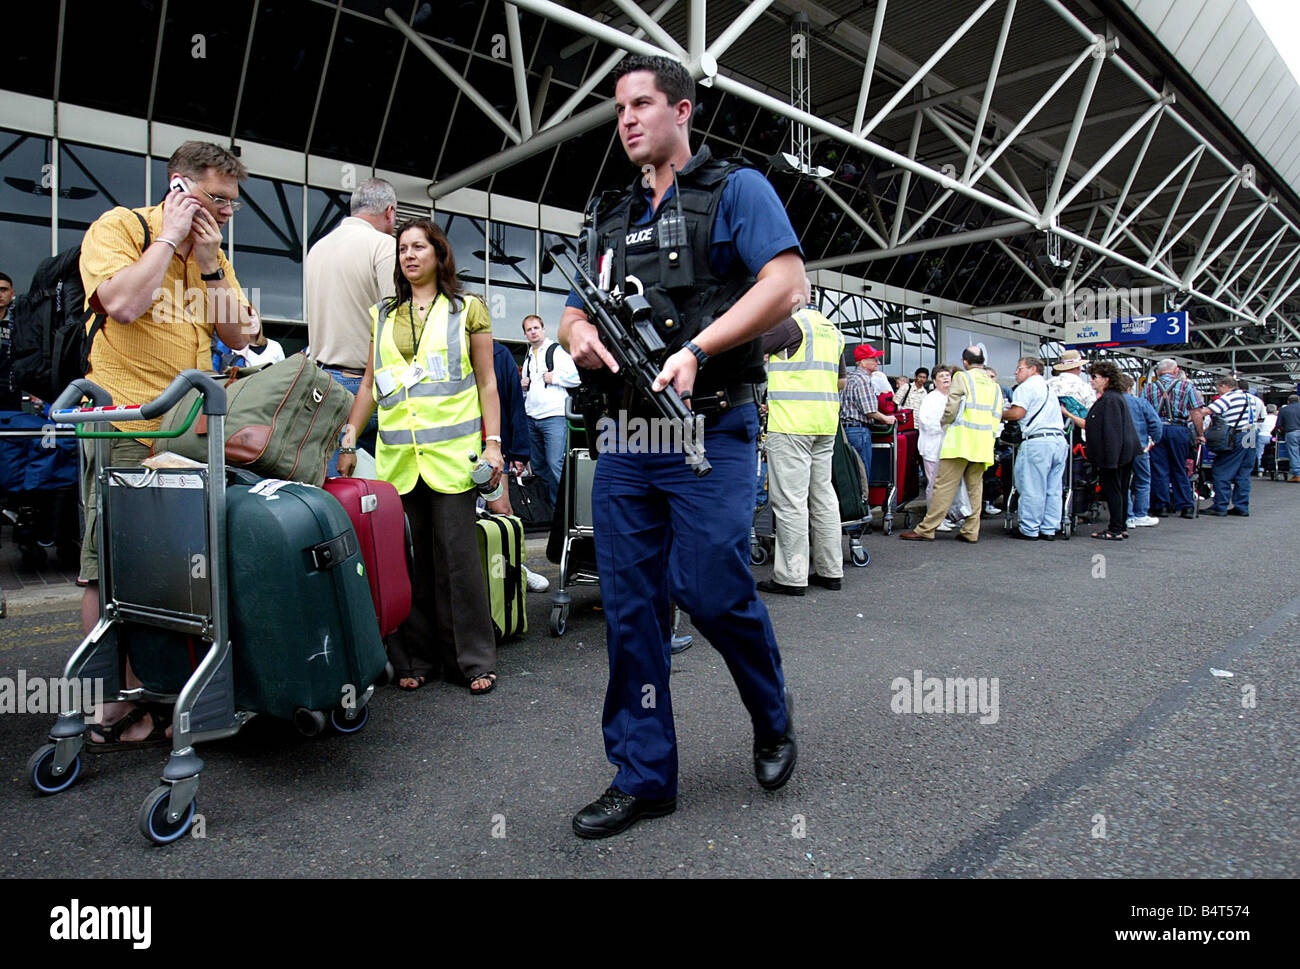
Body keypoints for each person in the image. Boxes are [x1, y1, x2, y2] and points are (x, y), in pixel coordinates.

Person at [558, 54, 804, 839]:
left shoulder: (737, 190)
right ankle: (643, 775)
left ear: (682, 110)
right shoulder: (607, 212)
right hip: (627, 434)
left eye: (640, 104)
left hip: (710, 424)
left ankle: (771, 712)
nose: (626, 119)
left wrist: (696, 347)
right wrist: (582, 335)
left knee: (710, 586)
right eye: (618, 109)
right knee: (632, 609)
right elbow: (568, 312)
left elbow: (785, 285)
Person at [79, 141, 260, 748]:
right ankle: (107, 705)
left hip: (186, 432)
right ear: (180, 188)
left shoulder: (212, 254)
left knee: (174, 567)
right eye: (216, 198)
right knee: (106, 566)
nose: (228, 211)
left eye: (234, 203)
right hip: (124, 425)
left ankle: (159, 685)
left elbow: (243, 333)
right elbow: (123, 303)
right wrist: (170, 238)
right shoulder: (122, 227)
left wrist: (209, 263)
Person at [337, 218, 507, 696]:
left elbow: (487, 383)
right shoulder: (382, 315)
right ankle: (414, 658)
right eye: (402, 248)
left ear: (438, 255)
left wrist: (493, 444)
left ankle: (472, 661)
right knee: (407, 561)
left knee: (457, 561)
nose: (409, 255)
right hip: (398, 461)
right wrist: (349, 440)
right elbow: (370, 385)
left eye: (419, 247)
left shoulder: (467, 310)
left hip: (452, 457)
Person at [305, 177, 398, 474]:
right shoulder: (384, 246)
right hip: (368, 386)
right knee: (379, 498)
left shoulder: (317, 248)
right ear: (390, 212)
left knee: (339, 491)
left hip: (322, 383)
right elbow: (397, 324)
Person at [757, 288, 845, 596]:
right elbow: (841, 380)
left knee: (790, 502)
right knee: (823, 497)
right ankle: (831, 570)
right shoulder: (833, 332)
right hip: (825, 423)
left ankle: (792, 577)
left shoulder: (790, 325)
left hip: (792, 424)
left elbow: (750, 351)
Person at [899, 346, 1004, 543]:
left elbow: (952, 407)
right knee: (975, 488)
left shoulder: (963, 378)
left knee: (943, 485)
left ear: (965, 362)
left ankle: (926, 528)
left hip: (959, 441)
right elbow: (997, 415)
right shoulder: (994, 386)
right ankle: (971, 531)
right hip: (982, 444)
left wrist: (945, 424)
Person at [1071, 360, 1140, 540]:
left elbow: (1111, 430)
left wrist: (1110, 459)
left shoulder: (1109, 400)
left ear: (1106, 379)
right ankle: (1120, 526)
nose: (1091, 381)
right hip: (1123, 452)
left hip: (1115, 454)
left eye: (1095, 377)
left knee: (1114, 490)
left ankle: (1115, 528)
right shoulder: (1114, 398)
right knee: (1121, 490)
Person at [1001, 357, 1067, 540]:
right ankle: (1049, 528)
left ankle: (1029, 528)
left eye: (1019, 368)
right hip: (1059, 441)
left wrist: (999, 414)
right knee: (1053, 488)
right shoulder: (1048, 388)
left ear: (1032, 369)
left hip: (1038, 442)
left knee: (1032, 486)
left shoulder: (1026, 387)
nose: (1016, 372)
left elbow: (1017, 413)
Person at [520, 314, 580, 507]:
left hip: (554, 416)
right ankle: (553, 510)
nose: (533, 332)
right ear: (525, 334)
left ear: (543, 329)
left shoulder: (556, 351)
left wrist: (555, 378)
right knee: (538, 467)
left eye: (536, 328)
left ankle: (566, 511)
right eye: (529, 330)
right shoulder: (528, 356)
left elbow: (577, 377)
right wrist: (524, 385)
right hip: (532, 417)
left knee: (555, 464)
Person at [1141, 358, 1207, 518]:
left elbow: (1143, 410)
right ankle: (1186, 506)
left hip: (1156, 430)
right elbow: (1196, 412)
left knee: (1159, 469)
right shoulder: (1186, 386)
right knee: (1179, 467)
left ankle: (1161, 506)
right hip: (1179, 429)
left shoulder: (1148, 388)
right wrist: (1200, 434)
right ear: (1176, 371)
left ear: (1158, 372)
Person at [915, 365, 971, 531]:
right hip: (933, 447)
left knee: (949, 484)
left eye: (948, 376)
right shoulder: (931, 398)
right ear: (934, 381)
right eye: (942, 376)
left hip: (951, 448)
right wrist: (947, 426)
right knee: (934, 484)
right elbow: (926, 422)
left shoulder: (955, 398)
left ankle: (948, 515)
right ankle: (934, 519)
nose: (946, 378)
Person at [1200, 376, 1261, 517]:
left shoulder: (1228, 398)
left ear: (1223, 386)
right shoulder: (1251, 398)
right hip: (1251, 434)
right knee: (1243, 472)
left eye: (1218, 388)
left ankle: (1220, 505)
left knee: (1222, 469)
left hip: (1237, 435)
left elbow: (1207, 411)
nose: (1218, 392)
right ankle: (1241, 506)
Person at [840, 343, 895, 487]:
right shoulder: (863, 380)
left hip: (845, 430)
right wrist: (887, 418)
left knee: (850, 473)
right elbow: (869, 411)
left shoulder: (849, 378)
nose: (878, 362)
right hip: (859, 430)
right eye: (874, 359)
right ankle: (863, 508)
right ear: (863, 362)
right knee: (862, 474)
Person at [1118, 373, 1162, 528]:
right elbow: (1156, 424)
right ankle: (1141, 514)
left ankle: (1127, 516)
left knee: (1123, 483)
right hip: (1140, 447)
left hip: (1120, 449)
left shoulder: (1112, 402)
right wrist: (1154, 440)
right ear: (1130, 387)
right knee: (1143, 480)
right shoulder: (1141, 403)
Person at [0, 271, 19, 411]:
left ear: (12, 293)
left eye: (3, 289)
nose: (0, 294)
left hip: (10, 390)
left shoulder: (20, 322)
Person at [1277, 394, 1300, 481]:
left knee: (1294, 453)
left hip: (1291, 433)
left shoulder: (1284, 409)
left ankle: (1297, 474)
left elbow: (1279, 425)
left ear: (1288, 401)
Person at [1257, 403, 1277, 476]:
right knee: (1275, 452)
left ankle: (1260, 470)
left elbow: (1257, 427)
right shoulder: (1276, 418)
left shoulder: (1262, 418)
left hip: (1262, 435)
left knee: (1260, 453)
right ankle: (1273, 467)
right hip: (1273, 437)